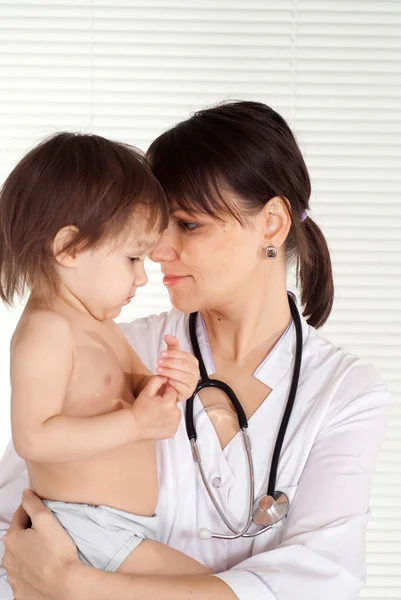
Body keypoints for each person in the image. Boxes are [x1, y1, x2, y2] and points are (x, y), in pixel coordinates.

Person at [1, 101, 392, 600]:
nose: (160, 252)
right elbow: (19, 523)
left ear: (272, 225)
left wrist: (79, 585)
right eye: (155, 232)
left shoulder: (346, 393)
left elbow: (323, 580)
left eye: (188, 225)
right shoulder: (111, 343)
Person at [0, 132, 211, 588]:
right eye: (133, 258)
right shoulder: (47, 330)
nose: (143, 276)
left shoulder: (98, 322)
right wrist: (135, 425)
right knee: (205, 588)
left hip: (114, 529)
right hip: (83, 528)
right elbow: (33, 438)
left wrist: (173, 381)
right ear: (69, 248)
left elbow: (134, 388)